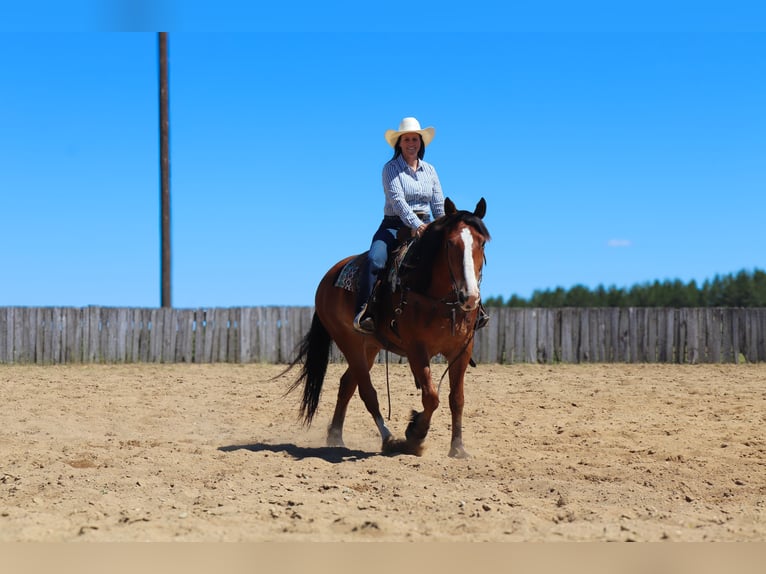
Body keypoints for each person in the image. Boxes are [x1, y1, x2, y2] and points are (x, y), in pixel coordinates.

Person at [352, 117, 446, 334]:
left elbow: (438, 204)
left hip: (427, 224)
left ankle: (467, 310)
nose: (411, 143)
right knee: (376, 259)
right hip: (394, 225)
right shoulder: (390, 169)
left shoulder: (430, 170)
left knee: (455, 255)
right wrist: (416, 225)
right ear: (399, 143)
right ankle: (365, 312)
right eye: (407, 139)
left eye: (415, 139)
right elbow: (398, 202)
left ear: (421, 143)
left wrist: (441, 226)